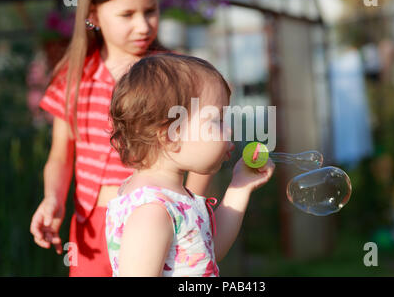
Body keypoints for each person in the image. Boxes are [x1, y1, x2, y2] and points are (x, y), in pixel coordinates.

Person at [29, 0, 213, 277]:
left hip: (156, 220)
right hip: (89, 228)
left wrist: (188, 208)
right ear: (92, 16)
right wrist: (53, 199)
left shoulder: (176, 74)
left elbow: (203, 145)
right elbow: (61, 155)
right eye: (127, 15)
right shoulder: (72, 77)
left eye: (150, 11)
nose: (143, 25)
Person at [106, 53, 275, 276]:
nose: (230, 130)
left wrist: (240, 186)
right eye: (217, 120)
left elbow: (207, 252)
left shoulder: (172, 198)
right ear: (171, 134)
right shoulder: (152, 212)